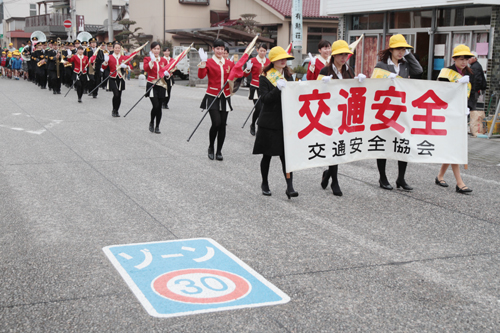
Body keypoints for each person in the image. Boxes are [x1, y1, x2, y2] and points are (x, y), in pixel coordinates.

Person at [372, 34, 422, 191]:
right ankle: (383, 177)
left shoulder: (406, 64)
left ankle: (401, 178)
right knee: (383, 143)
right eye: (399, 49)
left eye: (404, 49)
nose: (401, 52)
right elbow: (374, 84)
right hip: (385, 109)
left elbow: (419, 70)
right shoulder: (382, 64)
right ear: (391, 50)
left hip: (401, 109)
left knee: (403, 142)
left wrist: (409, 54)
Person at [317, 40, 366, 196]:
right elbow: (314, 93)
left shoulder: (349, 70)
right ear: (334, 56)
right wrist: (322, 84)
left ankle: (328, 175)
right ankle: (334, 181)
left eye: (346, 54)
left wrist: (359, 81)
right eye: (341, 54)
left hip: (344, 115)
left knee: (339, 147)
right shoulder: (325, 71)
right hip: (329, 115)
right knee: (333, 147)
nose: (344, 57)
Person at [253, 46, 298, 199]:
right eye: (280, 58)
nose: (284, 60)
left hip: (285, 121)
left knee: (287, 156)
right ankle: (264, 182)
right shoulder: (265, 76)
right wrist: (277, 89)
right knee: (267, 155)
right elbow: (264, 99)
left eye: (285, 58)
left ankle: (290, 186)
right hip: (269, 122)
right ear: (273, 60)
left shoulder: (288, 74)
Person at [435, 44, 474, 194]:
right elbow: (441, 93)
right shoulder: (446, 72)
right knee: (455, 147)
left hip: (461, 114)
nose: (464, 62)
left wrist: (469, 107)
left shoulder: (469, 73)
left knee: (454, 147)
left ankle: (440, 176)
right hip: (448, 115)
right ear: (455, 59)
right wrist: (457, 85)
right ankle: (460, 182)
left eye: (467, 59)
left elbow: (472, 94)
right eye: (461, 59)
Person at [197, 39, 234, 161]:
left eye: (222, 49)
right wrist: (202, 63)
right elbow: (201, 76)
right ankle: (211, 147)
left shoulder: (229, 63)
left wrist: (244, 69)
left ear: (224, 50)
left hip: (225, 96)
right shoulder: (208, 62)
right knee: (216, 123)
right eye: (217, 48)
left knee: (223, 125)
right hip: (212, 95)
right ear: (213, 49)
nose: (219, 51)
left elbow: (236, 77)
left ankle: (219, 151)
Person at [243, 43, 270, 136]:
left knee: (264, 109)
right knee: (258, 108)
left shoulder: (269, 61)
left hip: (266, 88)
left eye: (264, 51)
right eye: (261, 50)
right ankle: (253, 124)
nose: (262, 52)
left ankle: (260, 127)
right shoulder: (252, 60)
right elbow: (245, 75)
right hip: (255, 87)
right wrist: (248, 69)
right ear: (257, 50)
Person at [101, 41, 134, 117]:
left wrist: (125, 66)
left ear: (120, 49)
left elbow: (130, 67)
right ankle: (113, 109)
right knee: (115, 94)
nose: (117, 49)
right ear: (113, 48)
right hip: (112, 77)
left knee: (119, 95)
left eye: (118, 48)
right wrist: (105, 61)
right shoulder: (109, 57)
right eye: (116, 48)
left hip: (121, 77)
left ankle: (117, 110)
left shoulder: (123, 57)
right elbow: (103, 68)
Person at [143, 42, 169, 133]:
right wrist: (152, 61)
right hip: (152, 84)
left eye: (158, 49)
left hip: (161, 85)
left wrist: (167, 74)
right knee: (156, 105)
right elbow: (146, 69)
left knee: (159, 107)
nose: (156, 51)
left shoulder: (163, 60)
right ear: (151, 49)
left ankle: (157, 126)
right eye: (154, 49)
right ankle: (151, 122)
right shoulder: (147, 59)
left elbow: (166, 71)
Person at [468, 51, 487, 137]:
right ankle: (472, 126)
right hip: (474, 90)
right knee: (472, 107)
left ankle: (473, 126)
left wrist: (473, 90)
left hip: (474, 91)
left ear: (475, 58)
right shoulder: (475, 66)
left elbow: (476, 80)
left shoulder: (475, 67)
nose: (468, 60)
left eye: (470, 58)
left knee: (472, 107)